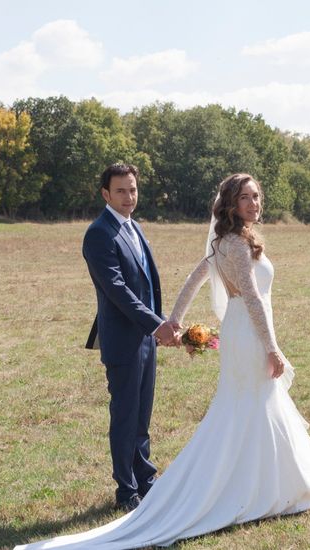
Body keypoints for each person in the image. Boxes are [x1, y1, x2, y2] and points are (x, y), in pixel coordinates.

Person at [17, 173, 310, 549]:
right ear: (230, 204)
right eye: (245, 198)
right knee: (252, 404)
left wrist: (173, 318)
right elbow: (253, 299)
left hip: (242, 332)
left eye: (256, 197)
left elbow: (196, 275)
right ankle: (253, 485)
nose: (254, 204)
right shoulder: (236, 245)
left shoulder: (224, 241)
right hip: (250, 334)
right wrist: (272, 347)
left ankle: (268, 477)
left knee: (254, 406)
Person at [82, 163, 181, 513]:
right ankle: (126, 491)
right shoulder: (99, 233)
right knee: (125, 414)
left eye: (133, 189)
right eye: (121, 191)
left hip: (145, 338)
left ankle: (145, 478)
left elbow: (147, 284)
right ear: (106, 194)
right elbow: (118, 290)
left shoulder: (134, 227)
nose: (129, 197)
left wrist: (161, 323)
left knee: (142, 414)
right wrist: (156, 325)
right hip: (124, 339)